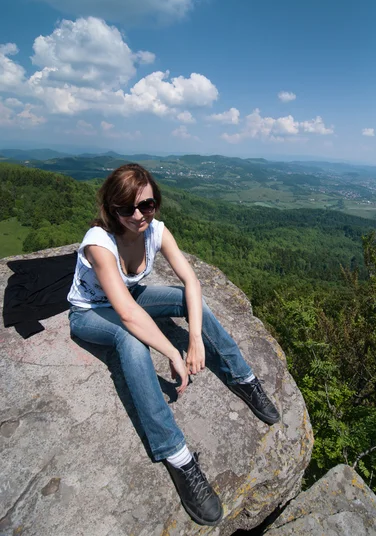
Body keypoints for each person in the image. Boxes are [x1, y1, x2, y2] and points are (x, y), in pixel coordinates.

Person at [68, 163, 280, 526]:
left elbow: (191, 282)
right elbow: (129, 316)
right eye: (127, 208)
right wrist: (172, 352)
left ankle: (242, 377)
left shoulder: (157, 232)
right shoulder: (99, 243)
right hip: (91, 312)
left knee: (185, 299)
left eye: (146, 206)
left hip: (131, 296)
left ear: (155, 204)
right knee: (130, 340)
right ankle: (177, 455)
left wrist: (195, 338)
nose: (138, 216)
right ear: (111, 208)